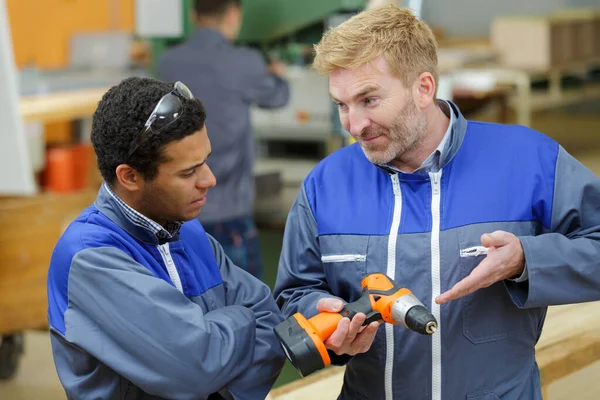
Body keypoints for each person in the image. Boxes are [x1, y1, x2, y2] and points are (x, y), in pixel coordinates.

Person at [273, 5, 600, 400]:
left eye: (369, 100)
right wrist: (324, 320)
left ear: (423, 88)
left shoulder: (528, 161)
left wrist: (526, 260)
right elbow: (294, 294)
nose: (354, 125)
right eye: (342, 105)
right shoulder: (324, 185)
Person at [47, 77, 285, 400]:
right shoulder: (89, 257)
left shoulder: (190, 233)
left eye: (205, 161)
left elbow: (270, 322)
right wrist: (241, 320)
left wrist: (211, 373)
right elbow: (196, 367)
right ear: (129, 176)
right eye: (189, 172)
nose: (210, 180)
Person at [157, 0, 290, 280]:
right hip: (229, 216)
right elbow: (278, 98)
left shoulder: (168, 62)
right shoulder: (243, 61)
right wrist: (277, 76)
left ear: (194, 15)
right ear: (233, 14)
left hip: (177, 212)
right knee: (247, 307)